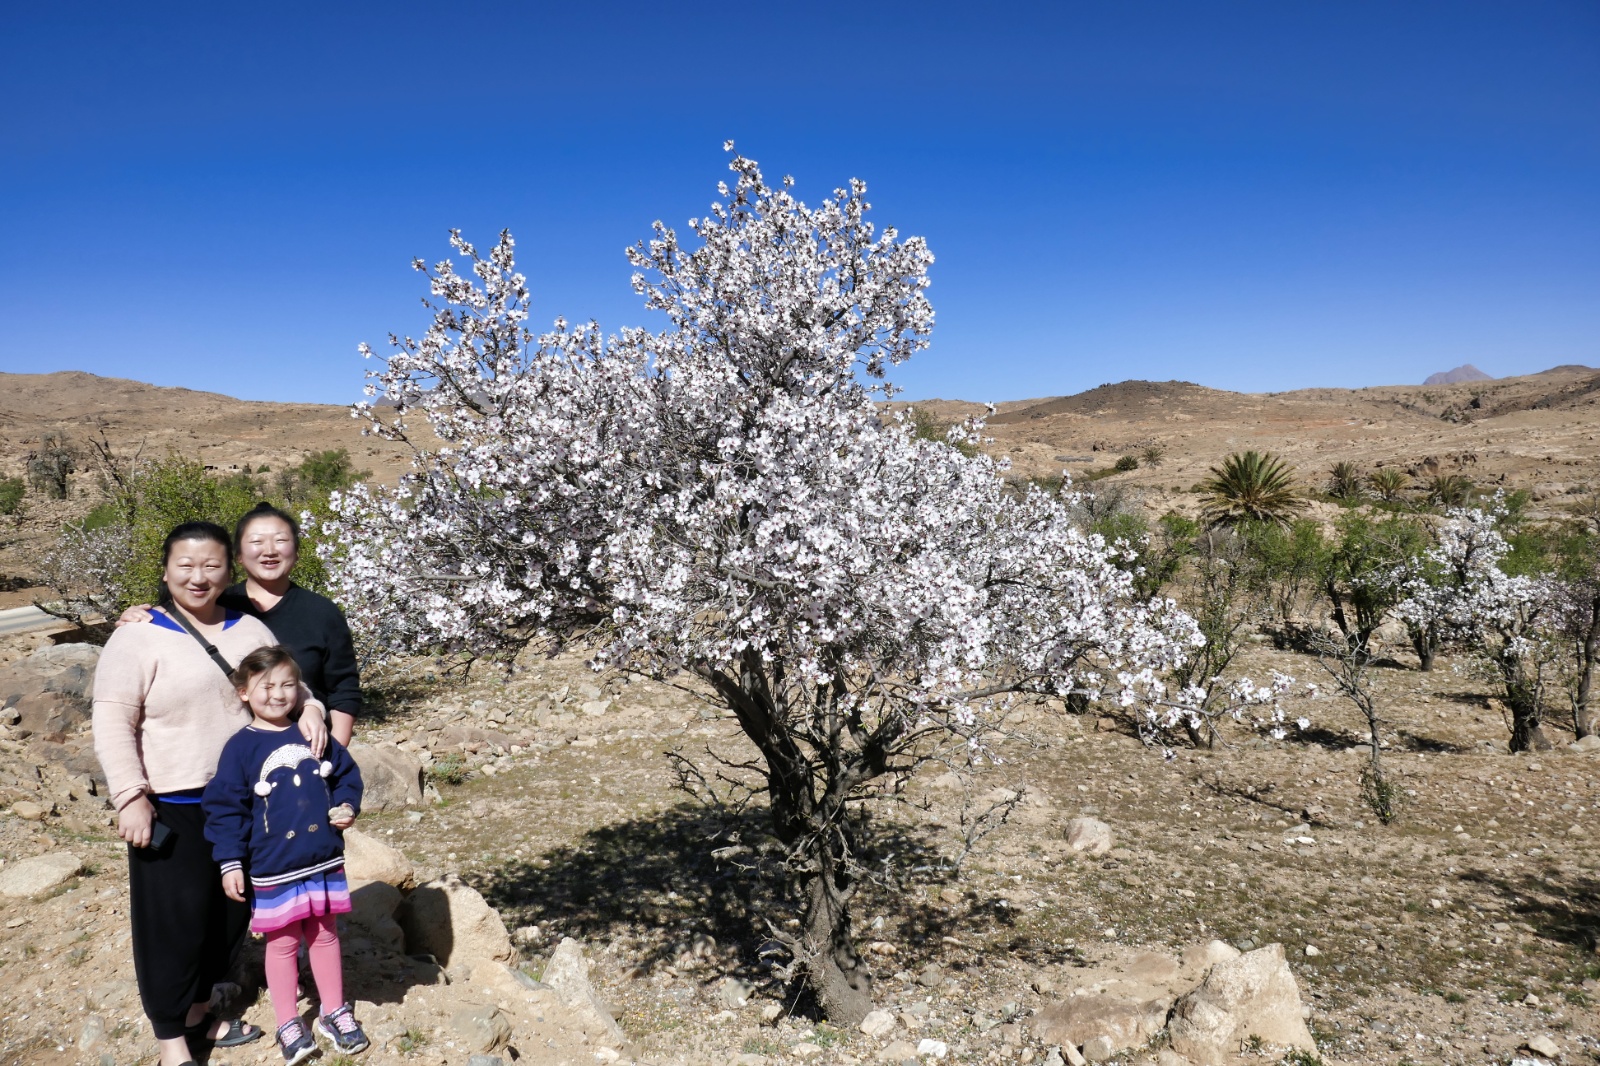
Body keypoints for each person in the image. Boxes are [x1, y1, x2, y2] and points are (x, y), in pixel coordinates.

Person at [93, 522, 329, 1066]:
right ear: (166, 570)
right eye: (185, 566)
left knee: (227, 916)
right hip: (173, 803)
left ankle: (202, 1010)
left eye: (211, 567)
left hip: (249, 800)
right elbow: (112, 720)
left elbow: (292, 685)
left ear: (229, 571)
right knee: (172, 923)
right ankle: (173, 1039)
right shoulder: (136, 636)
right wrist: (130, 794)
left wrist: (312, 708)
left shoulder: (248, 630)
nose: (198, 578)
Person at [204, 645, 369, 1063]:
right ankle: (288, 1022)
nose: (278, 694)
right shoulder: (239, 749)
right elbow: (225, 809)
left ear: (299, 690)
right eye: (266, 686)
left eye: (287, 685)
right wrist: (230, 862)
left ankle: (333, 1011)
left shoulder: (313, 733)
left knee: (325, 932)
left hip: (323, 858)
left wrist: (347, 805)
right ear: (243, 692)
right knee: (280, 943)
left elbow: (348, 775)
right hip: (273, 866)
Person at [122, 502, 363, 745]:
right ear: (237, 556)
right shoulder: (212, 606)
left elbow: (343, 690)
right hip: (220, 750)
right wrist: (137, 618)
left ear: (297, 551)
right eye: (256, 542)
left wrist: (336, 754)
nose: (269, 551)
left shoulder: (322, 612)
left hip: (304, 749)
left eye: (280, 540)